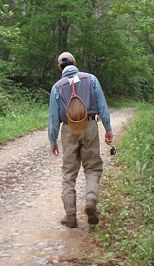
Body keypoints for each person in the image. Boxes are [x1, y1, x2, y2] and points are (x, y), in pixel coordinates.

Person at [48, 52, 113, 228]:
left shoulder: (57, 87)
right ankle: (91, 200)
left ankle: (70, 216)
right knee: (92, 167)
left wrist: (53, 140)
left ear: (59, 67)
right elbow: (102, 106)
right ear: (75, 63)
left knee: (69, 172)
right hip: (89, 125)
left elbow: (53, 117)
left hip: (68, 129)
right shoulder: (91, 79)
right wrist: (108, 128)